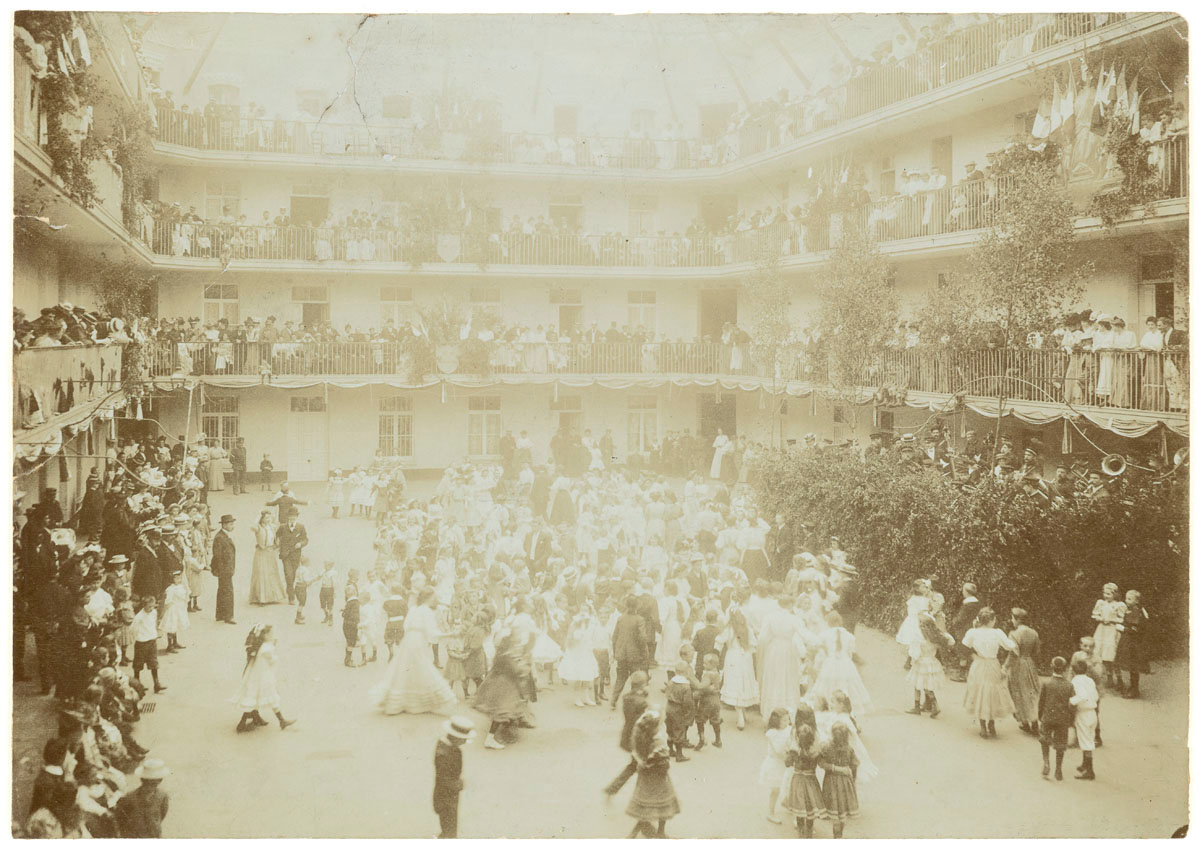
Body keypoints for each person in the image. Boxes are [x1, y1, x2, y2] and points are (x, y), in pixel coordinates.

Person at [374, 586, 457, 715]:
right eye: (434, 598)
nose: (436, 600)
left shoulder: (414, 609)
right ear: (429, 598)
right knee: (424, 668)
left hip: (407, 640)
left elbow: (406, 626)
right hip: (418, 641)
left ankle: (399, 701)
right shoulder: (427, 612)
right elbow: (432, 632)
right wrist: (449, 634)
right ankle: (440, 699)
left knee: (404, 670)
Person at [604, 709, 681, 838]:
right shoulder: (658, 743)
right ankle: (660, 832)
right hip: (659, 778)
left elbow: (637, 755)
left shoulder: (640, 736)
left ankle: (634, 833)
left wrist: (644, 764)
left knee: (645, 805)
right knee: (664, 805)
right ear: (655, 728)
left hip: (644, 776)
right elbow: (664, 763)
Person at [961, 606, 1018, 738]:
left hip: (979, 663)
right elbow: (1010, 646)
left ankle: (984, 726)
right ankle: (991, 724)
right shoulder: (997, 632)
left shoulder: (973, 632)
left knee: (981, 691)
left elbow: (963, 647)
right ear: (991, 620)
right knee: (991, 692)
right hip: (992, 663)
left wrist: (973, 656)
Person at [233, 624, 296, 732]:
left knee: (254, 699)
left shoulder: (261, 646)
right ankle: (282, 721)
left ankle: (245, 722)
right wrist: (274, 648)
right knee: (270, 698)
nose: (273, 635)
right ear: (265, 635)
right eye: (271, 633)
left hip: (257, 676)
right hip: (264, 678)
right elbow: (273, 660)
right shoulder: (267, 647)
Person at [433, 716, 476, 839]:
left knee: (448, 818)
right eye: (463, 739)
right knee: (449, 817)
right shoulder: (446, 753)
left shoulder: (444, 744)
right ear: (455, 737)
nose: (464, 742)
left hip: (447, 791)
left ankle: (446, 835)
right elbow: (444, 777)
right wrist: (458, 784)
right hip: (447, 792)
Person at [906, 611, 953, 717]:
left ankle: (920, 706)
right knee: (927, 684)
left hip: (921, 662)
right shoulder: (935, 637)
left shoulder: (919, 637)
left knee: (917, 684)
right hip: (932, 661)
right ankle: (930, 704)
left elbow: (915, 652)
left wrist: (913, 660)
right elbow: (951, 641)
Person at [783, 722, 825, 837]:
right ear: (812, 738)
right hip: (811, 780)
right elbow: (822, 764)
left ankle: (801, 834)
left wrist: (787, 753)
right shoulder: (816, 751)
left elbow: (787, 763)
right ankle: (809, 833)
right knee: (810, 807)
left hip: (798, 781)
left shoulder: (795, 751)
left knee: (799, 808)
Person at [720, 607, 758, 730]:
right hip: (745, 658)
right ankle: (742, 714)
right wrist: (746, 652)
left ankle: (741, 716)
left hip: (733, 658)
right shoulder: (747, 630)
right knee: (744, 684)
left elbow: (719, 641)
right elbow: (753, 646)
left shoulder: (729, 630)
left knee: (736, 685)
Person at [820, 723, 859, 838]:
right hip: (845, 784)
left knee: (834, 812)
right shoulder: (849, 749)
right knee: (842, 812)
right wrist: (852, 780)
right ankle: (839, 836)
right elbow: (854, 765)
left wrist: (833, 768)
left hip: (830, 783)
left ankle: (836, 835)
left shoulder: (826, 747)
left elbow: (821, 763)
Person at [114, 758, 170, 838]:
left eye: (153, 783)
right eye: (148, 783)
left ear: (159, 781)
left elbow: (162, 813)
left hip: (153, 834)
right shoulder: (130, 797)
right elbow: (120, 817)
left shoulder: (162, 796)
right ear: (142, 780)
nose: (149, 786)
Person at [1006, 608, 1042, 734]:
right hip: (1029, 663)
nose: (1012, 621)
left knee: (1019, 692)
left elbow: (1013, 653)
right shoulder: (1034, 633)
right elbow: (1037, 651)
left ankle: (1025, 722)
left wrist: (1005, 667)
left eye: (1013, 618)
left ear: (1017, 619)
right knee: (1031, 691)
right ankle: (1034, 722)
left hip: (1018, 665)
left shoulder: (1014, 634)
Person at [610, 596, 649, 709]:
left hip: (622, 654)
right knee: (635, 678)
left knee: (620, 678)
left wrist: (616, 651)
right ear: (637, 606)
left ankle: (614, 699)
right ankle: (633, 702)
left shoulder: (621, 618)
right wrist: (643, 653)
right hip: (635, 655)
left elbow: (614, 637)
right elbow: (642, 638)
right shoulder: (639, 619)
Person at [1037, 656, 1073, 781]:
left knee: (1044, 739)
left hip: (1048, 717)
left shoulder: (1047, 683)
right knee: (1061, 744)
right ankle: (1058, 768)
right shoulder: (1069, 685)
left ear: (1052, 667)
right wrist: (1071, 719)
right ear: (1065, 669)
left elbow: (1041, 702)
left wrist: (1040, 715)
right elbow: (1071, 703)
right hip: (1062, 718)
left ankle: (1046, 762)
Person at [759, 708, 791, 825]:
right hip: (776, 764)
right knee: (776, 789)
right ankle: (771, 813)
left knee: (789, 783)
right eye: (783, 721)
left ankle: (787, 802)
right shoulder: (773, 733)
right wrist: (789, 751)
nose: (787, 722)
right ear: (776, 721)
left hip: (785, 762)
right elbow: (778, 751)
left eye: (788, 719)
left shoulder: (788, 729)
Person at [1069, 656, 1100, 780]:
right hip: (1092, 712)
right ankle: (1084, 764)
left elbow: (1082, 695)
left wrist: (1071, 701)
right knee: (1088, 739)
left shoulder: (1075, 681)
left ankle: (1090, 771)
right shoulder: (1090, 680)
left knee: (1086, 742)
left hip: (1083, 713)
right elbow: (1096, 696)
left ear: (1074, 671)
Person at [1091, 582, 1126, 688]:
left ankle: (1119, 678)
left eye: (1109, 594)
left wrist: (1111, 620)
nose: (1106, 596)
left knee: (1113, 655)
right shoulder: (1101, 603)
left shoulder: (1119, 605)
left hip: (1112, 631)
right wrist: (1101, 619)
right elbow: (1095, 614)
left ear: (1115, 594)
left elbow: (1122, 619)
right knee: (1103, 655)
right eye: (1105, 593)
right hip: (1102, 630)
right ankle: (1109, 677)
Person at [1115, 589, 1149, 698]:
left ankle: (1134, 689)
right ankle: (1133, 687)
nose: (1126, 601)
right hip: (1129, 643)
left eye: (1129, 599)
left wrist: (1123, 628)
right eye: (1126, 598)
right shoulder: (1130, 610)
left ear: (1136, 601)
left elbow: (1135, 629)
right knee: (1131, 666)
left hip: (1134, 644)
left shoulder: (1137, 611)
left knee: (1134, 666)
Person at [249, 510, 286, 605]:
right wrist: (258, 517)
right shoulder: (258, 527)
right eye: (266, 518)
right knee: (261, 573)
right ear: (262, 518)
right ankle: (261, 598)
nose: (268, 519)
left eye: (269, 517)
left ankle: (273, 597)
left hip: (270, 552)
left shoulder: (272, 527)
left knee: (271, 573)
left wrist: (277, 545)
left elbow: (279, 533)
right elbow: (252, 527)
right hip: (261, 552)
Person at [131, 596, 167, 693]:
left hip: (152, 641)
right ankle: (137, 684)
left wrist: (154, 633)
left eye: (152, 606)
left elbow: (153, 624)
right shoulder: (139, 616)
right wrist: (140, 636)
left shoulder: (154, 612)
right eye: (149, 607)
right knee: (138, 665)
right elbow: (133, 629)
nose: (151, 609)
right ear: (144, 606)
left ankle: (156, 684)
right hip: (141, 643)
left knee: (154, 663)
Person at [947, 582, 981, 681]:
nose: (962, 592)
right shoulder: (977, 603)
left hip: (964, 630)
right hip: (973, 628)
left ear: (967, 592)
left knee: (963, 651)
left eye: (963, 590)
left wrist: (954, 622)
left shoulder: (967, 605)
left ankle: (962, 675)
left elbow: (960, 619)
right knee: (970, 650)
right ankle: (973, 672)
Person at [664, 660, 695, 763]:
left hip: (669, 707)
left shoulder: (671, 682)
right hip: (679, 709)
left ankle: (670, 750)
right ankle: (679, 754)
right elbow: (688, 703)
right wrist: (688, 715)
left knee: (670, 729)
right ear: (686, 673)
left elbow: (667, 693)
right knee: (679, 730)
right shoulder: (686, 687)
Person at [276, 507, 309, 605]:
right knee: (288, 575)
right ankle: (291, 597)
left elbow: (306, 539)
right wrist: (277, 541)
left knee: (293, 575)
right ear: (287, 517)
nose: (292, 518)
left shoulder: (301, 527)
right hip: (285, 555)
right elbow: (277, 536)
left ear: (297, 517)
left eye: (294, 516)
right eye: (290, 516)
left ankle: (289, 589)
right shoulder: (282, 527)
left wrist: (301, 544)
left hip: (296, 555)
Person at [211, 514, 238, 625]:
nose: (232, 526)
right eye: (231, 524)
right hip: (224, 570)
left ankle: (220, 614)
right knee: (228, 592)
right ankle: (228, 616)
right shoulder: (220, 537)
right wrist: (223, 570)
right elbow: (217, 556)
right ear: (225, 524)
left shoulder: (223, 535)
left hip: (225, 569)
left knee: (222, 590)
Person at [693, 652, 723, 751]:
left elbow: (703, 686)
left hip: (706, 700)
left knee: (700, 719)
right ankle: (718, 739)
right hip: (716, 700)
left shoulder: (707, 674)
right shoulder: (717, 673)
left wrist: (696, 684)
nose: (703, 665)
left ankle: (701, 739)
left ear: (712, 665)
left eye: (705, 663)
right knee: (715, 719)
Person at [619, 670, 650, 752]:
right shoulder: (642, 702)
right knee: (639, 754)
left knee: (634, 753)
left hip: (628, 730)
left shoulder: (627, 697)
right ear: (643, 685)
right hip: (638, 732)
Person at [161, 571, 190, 653]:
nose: (179, 580)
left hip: (179, 608)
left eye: (180, 578)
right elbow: (168, 601)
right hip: (173, 609)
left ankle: (175, 642)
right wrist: (166, 611)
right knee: (171, 626)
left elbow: (185, 596)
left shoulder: (181, 587)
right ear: (172, 579)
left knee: (176, 625)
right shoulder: (171, 589)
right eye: (177, 578)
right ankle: (169, 645)